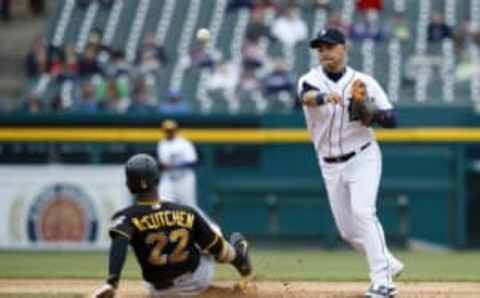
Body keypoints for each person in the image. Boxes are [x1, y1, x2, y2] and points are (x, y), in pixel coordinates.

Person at [297, 28, 404, 298]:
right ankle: (388, 263)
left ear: (344, 48)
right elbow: (307, 98)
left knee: (363, 212)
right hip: (329, 163)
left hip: (363, 156)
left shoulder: (363, 82)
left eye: (329, 47)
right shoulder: (310, 80)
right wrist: (324, 97)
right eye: (320, 48)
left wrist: (371, 113)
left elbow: (393, 120)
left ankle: (383, 282)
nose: (324, 53)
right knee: (347, 231)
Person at [92, 153, 253, 298]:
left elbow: (119, 244)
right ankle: (239, 258)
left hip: (159, 290)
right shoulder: (186, 212)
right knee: (210, 235)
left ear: (129, 184)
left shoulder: (126, 216)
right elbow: (214, 246)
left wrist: (112, 282)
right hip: (196, 282)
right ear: (157, 178)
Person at [157, 119, 198, 207]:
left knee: (189, 207)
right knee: (162, 204)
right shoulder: (162, 144)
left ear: (175, 130)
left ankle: (206, 221)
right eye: (167, 130)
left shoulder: (184, 143)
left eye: (171, 130)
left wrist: (174, 166)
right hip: (169, 178)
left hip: (184, 178)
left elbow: (192, 161)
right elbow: (163, 163)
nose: (169, 132)